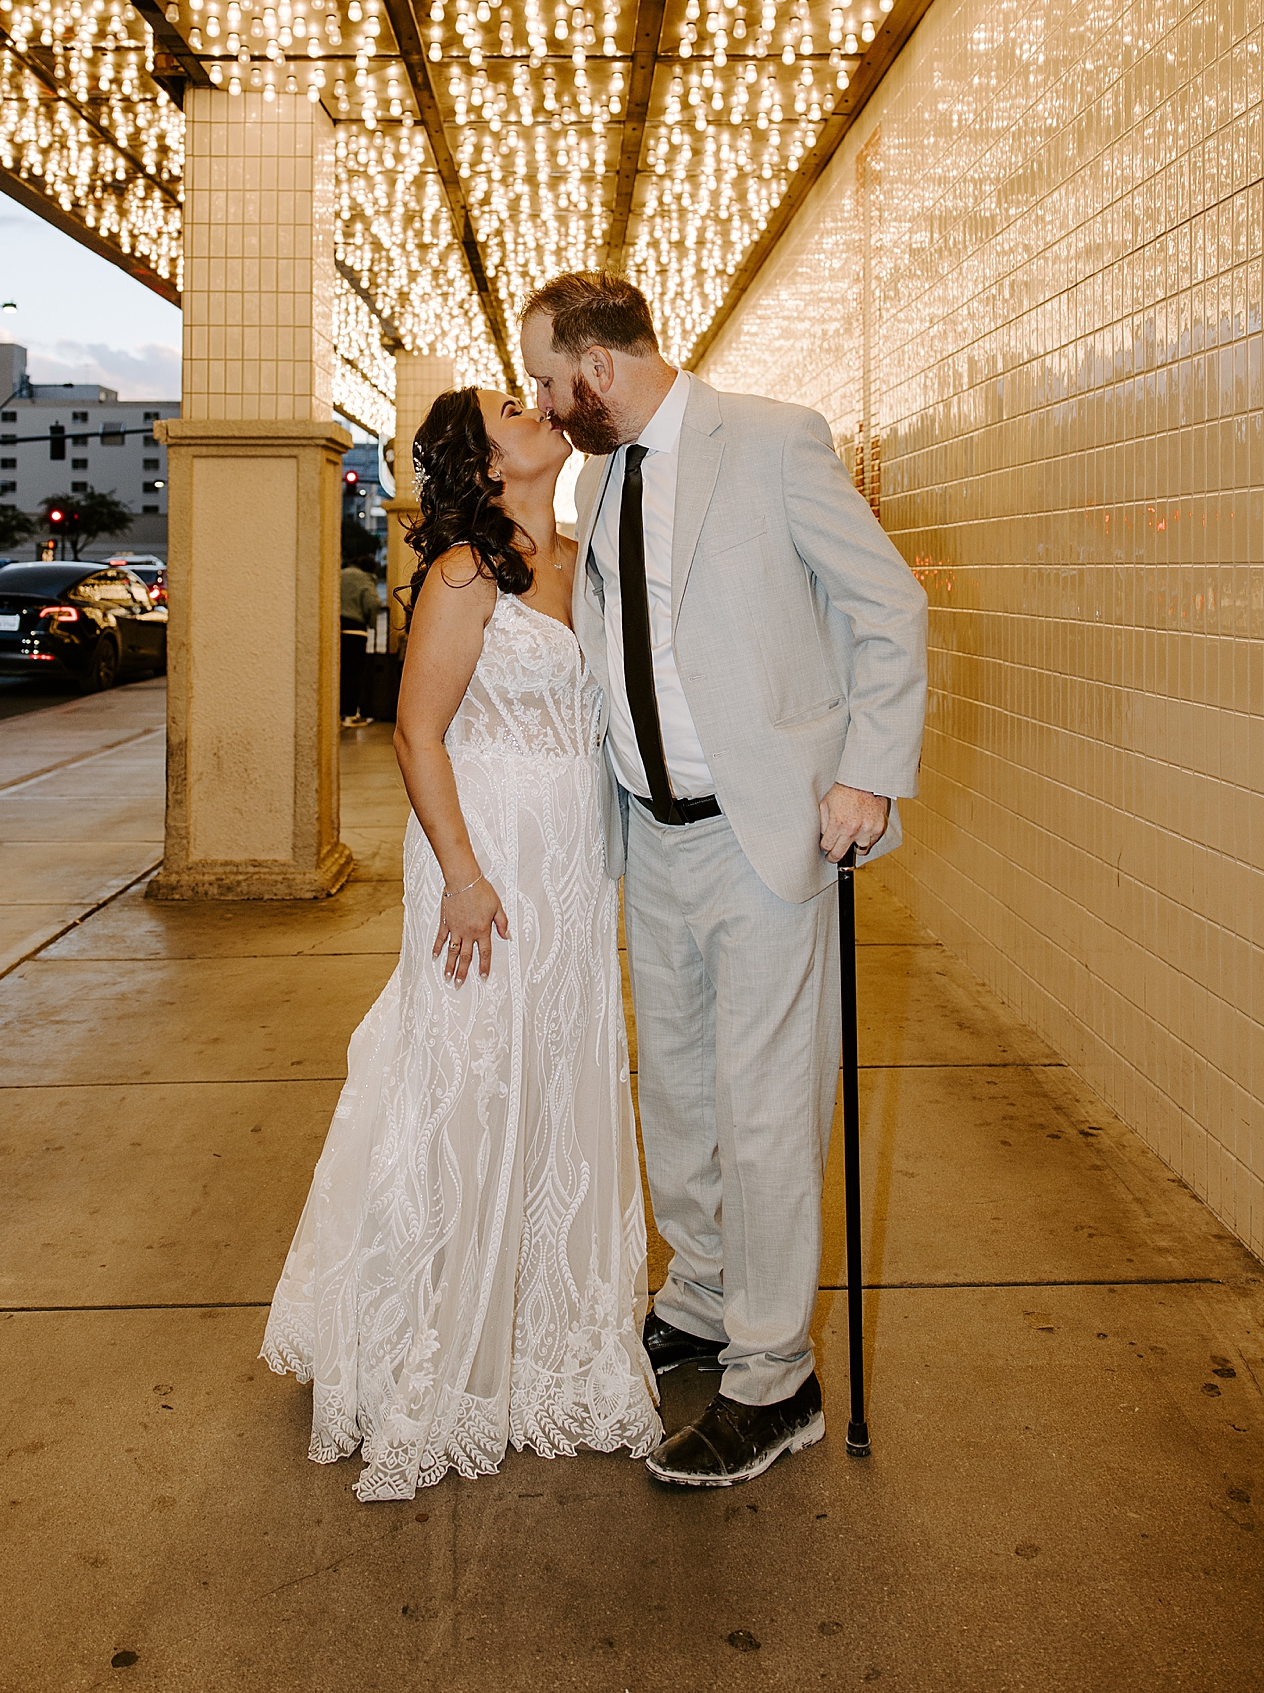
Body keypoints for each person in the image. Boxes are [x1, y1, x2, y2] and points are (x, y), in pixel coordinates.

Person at [520, 271, 928, 1489]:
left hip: (765, 834)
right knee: (682, 1098)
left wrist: (869, 772)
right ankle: (700, 1299)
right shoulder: (603, 478)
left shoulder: (770, 440)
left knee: (762, 1108)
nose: (543, 402)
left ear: (598, 364)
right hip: (653, 834)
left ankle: (774, 1375)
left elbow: (886, 604)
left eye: (548, 377)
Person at [262, 385, 660, 1500]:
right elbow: (417, 731)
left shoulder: (585, 556)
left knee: (561, 1066)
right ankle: (438, 1333)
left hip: (573, 863)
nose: (535, 407)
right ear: (483, 464)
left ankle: (550, 1333)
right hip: (481, 856)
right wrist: (466, 878)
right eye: (506, 407)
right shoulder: (462, 573)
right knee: (469, 1072)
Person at [338, 545, 378, 726]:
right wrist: (371, 623)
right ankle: (350, 714)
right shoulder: (365, 579)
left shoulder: (340, 573)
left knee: (338, 673)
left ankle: (336, 713)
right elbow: (372, 602)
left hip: (336, 629)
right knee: (354, 674)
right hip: (355, 631)